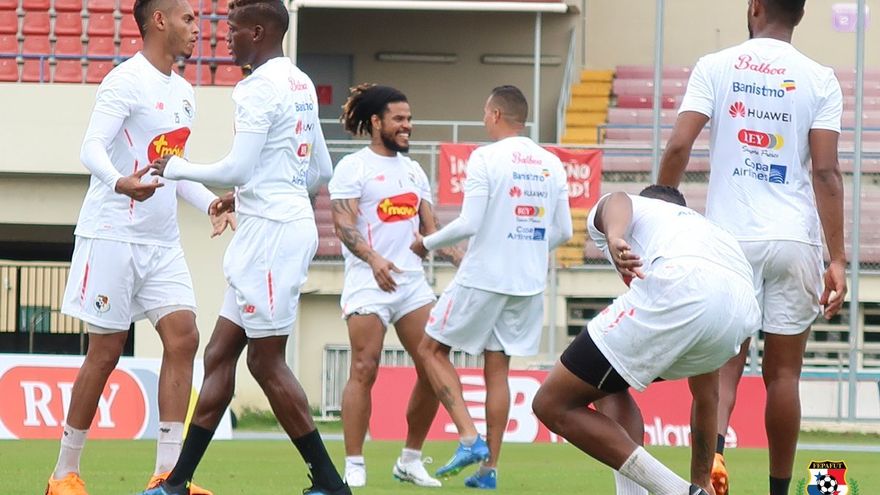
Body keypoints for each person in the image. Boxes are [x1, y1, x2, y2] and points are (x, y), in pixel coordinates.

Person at [138, 0, 348, 493]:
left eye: (232, 30)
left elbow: (237, 166)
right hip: (275, 225)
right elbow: (321, 170)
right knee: (218, 355)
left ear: (257, 32)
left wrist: (176, 167)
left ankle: (331, 483)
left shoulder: (257, 87)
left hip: (271, 237)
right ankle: (175, 484)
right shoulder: (299, 81)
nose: (224, 38)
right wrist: (258, 193)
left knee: (265, 361)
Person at [657, 1, 847, 494]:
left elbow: (678, 147)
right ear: (800, 14)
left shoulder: (715, 66)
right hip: (793, 239)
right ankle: (779, 491)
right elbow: (826, 172)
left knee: (723, 370)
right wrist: (837, 258)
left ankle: (710, 474)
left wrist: (659, 209)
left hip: (729, 240)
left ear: (755, 7)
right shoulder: (820, 78)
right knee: (783, 376)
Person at [46, 0, 232, 493]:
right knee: (105, 352)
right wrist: (119, 181)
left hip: (162, 242)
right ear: (159, 20)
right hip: (112, 235)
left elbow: (174, 169)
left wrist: (211, 203)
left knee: (184, 337)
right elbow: (90, 147)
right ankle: (64, 473)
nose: (198, 28)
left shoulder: (185, 92)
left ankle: (167, 477)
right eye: (189, 19)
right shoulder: (124, 81)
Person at [532, 186, 762, 495]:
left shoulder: (640, 212)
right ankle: (696, 490)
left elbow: (618, 199)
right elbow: (707, 397)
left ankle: (676, 491)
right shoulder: (703, 233)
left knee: (551, 403)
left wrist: (615, 236)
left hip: (682, 285)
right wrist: (702, 480)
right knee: (607, 385)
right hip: (741, 310)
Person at [410, 85, 573, 490]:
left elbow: (469, 223)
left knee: (430, 349)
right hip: (527, 283)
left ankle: (468, 437)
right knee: (497, 368)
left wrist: (426, 243)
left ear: (496, 114)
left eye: (485, 113)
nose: (484, 119)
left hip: (484, 277)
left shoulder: (485, 157)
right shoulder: (552, 163)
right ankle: (489, 470)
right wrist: (527, 248)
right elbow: (564, 231)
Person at [330, 84, 462, 488]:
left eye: (409, 119)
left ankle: (410, 459)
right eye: (399, 119)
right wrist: (373, 259)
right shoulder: (353, 167)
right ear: (376, 122)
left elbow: (431, 230)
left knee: (432, 364)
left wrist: (461, 257)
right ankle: (354, 462)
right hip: (368, 282)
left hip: (411, 283)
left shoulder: (414, 171)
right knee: (364, 366)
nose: (408, 125)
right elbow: (343, 224)